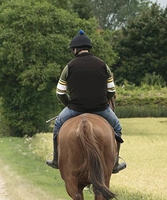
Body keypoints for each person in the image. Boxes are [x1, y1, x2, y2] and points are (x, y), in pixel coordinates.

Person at [46, 30, 126, 173]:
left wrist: (69, 104)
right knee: (117, 128)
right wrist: (102, 102)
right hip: (101, 109)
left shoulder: (69, 66)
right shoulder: (103, 65)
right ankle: (115, 163)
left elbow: (60, 92)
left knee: (57, 126)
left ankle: (56, 160)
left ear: (75, 49)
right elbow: (112, 90)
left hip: (75, 109)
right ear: (88, 48)